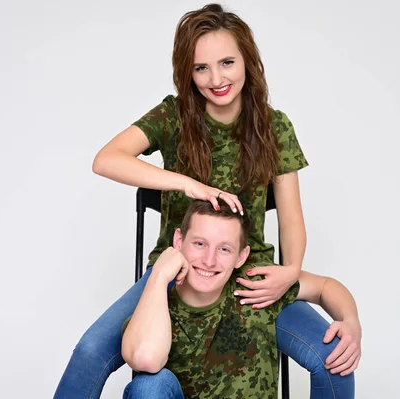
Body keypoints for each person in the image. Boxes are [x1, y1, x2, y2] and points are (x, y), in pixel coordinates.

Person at [54, 4, 361, 399]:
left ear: (247, 60)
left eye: (227, 62)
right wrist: (186, 184)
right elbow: (106, 159)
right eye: (201, 68)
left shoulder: (274, 126)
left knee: (333, 356)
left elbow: (291, 216)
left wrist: (291, 270)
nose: (216, 79)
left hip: (247, 272)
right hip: (179, 266)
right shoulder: (174, 115)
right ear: (187, 71)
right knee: (90, 352)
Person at [121, 199, 360, 399]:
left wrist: (350, 321)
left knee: (337, 354)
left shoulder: (255, 286)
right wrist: (160, 275)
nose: (209, 260)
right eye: (199, 244)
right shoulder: (155, 308)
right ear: (178, 242)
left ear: (241, 256)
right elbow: (145, 359)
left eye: (224, 249)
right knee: (147, 386)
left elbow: (324, 287)